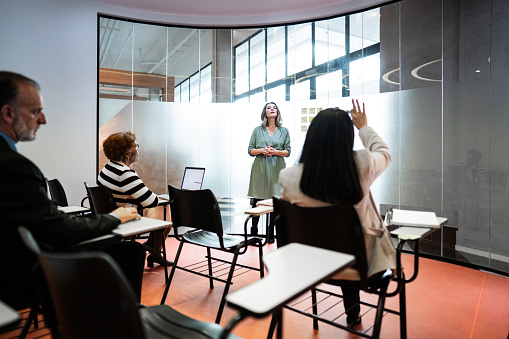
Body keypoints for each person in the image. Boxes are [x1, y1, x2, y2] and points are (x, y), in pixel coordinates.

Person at [0, 71, 144, 309]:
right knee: (132, 252)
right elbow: (61, 231)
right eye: (36, 111)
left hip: (15, 266)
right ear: (8, 113)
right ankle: (119, 325)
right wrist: (113, 217)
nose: (43, 120)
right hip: (29, 276)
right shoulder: (14, 167)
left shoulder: (106, 170)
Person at [278, 100, 396, 329]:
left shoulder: (289, 176)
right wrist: (363, 127)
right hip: (360, 267)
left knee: (334, 241)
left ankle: (353, 313)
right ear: (347, 137)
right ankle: (353, 316)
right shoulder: (363, 163)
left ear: (311, 136)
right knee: (349, 243)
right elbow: (384, 153)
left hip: (309, 265)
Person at [98, 131, 173, 267]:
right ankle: (154, 251)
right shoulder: (125, 174)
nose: (138, 149)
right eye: (136, 146)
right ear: (127, 153)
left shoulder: (107, 168)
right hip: (125, 216)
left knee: (159, 207)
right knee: (164, 207)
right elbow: (151, 201)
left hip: (113, 211)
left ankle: (153, 249)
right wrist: (162, 198)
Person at [247, 102, 291, 241]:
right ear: (265, 113)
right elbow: (250, 150)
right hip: (260, 167)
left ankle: (270, 233)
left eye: (274, 107)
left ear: (277, 112)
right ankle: (254, 232)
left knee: (274, 200)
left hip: (277, 168)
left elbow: (287, 152)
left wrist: (276, 152)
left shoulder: (284, 131)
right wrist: (262, 150)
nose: (272, 109)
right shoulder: (257, 130)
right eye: (268, 108)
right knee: (257, 198)